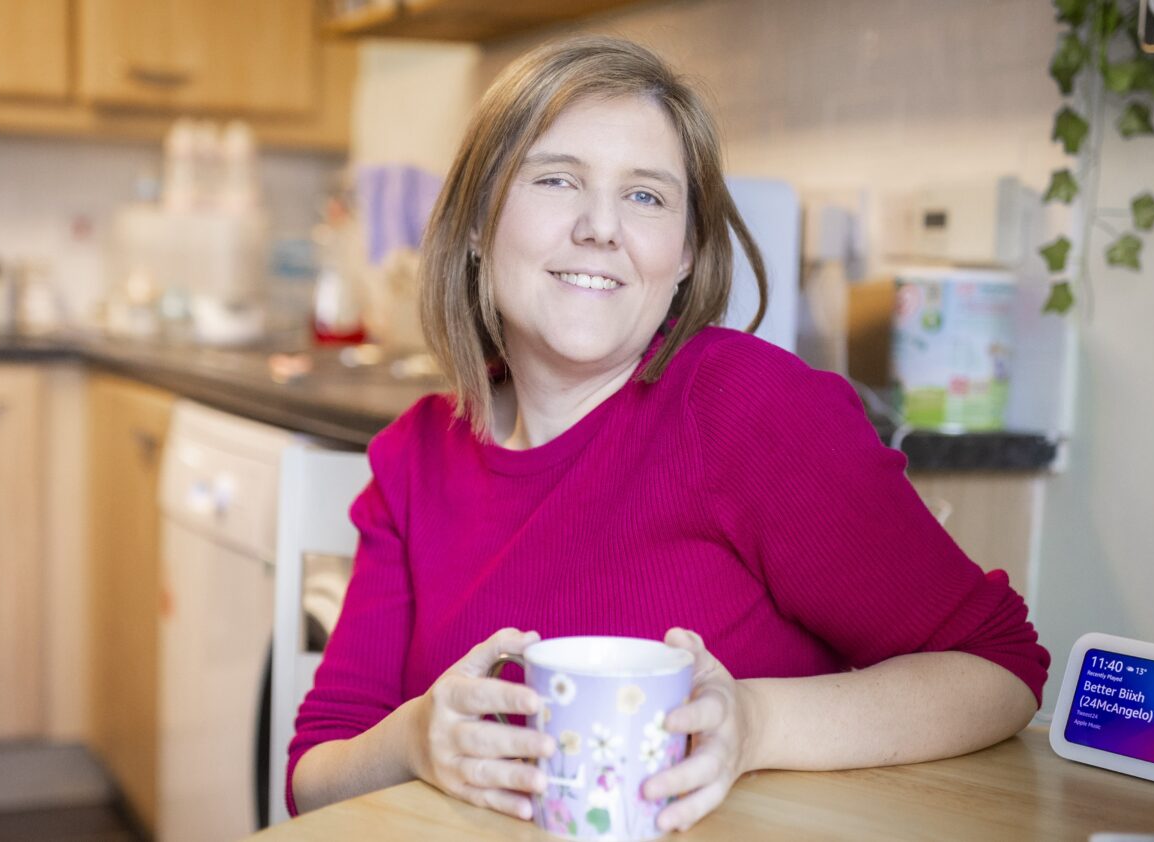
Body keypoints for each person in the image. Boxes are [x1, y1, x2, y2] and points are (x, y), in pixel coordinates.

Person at [286, 35, 1049, 832]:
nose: (601, 228)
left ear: (685, 253)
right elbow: (316, 775)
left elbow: (999, 667)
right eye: (556, 179)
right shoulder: (416, 457)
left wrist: (755, 723)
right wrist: (414, 740)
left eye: (646, 196)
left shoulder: (749, 410)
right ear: (477, 221)